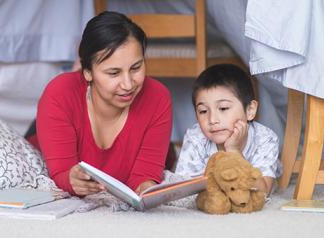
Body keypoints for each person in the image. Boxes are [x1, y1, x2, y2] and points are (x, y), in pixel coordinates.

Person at [36, 11, 173, 197]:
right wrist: (71, 179)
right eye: (114, 73)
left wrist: (147, 189)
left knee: (169, 157)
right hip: (45, 130)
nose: (128, 84)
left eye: (136, 68)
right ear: (87, 72)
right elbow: (60, 172)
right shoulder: (59, 94)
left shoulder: (158, 98)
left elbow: (143, 178)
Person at [175, 64, 282, 195]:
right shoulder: (195, 137)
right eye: (203, 111)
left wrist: (234, 151)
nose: (212, 119)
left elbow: (262, 191)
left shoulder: (265, 138)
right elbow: (183, 188)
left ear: (250, 110)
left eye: (223, 108)